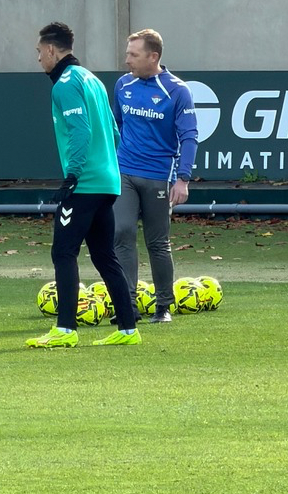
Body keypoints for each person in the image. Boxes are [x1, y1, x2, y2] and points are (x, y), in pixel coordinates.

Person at [26, 22, 141, 348]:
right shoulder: (92, 79)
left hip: (86, 183)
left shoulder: (64, 84)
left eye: (38, 52)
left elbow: (81, 131)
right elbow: (114, 133)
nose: (38, 59)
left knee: (63, 252)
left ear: (51, 50)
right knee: (105, 256)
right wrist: (107, 168)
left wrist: (73, 175)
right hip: (108, 181)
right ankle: (129, 330)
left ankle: (65, 330)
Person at [112, 29, 198, 324]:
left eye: (133, 55)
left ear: (153, 57)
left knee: (157, 243)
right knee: (121, 232)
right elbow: (118, 126)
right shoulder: (123, 85)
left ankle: (163, 306)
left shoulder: (177, 90)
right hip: (124, 173)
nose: (127, 61)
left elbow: (189, 137)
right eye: (127, 54)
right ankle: (128, 305)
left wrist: (183, 178)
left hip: (159, 176)